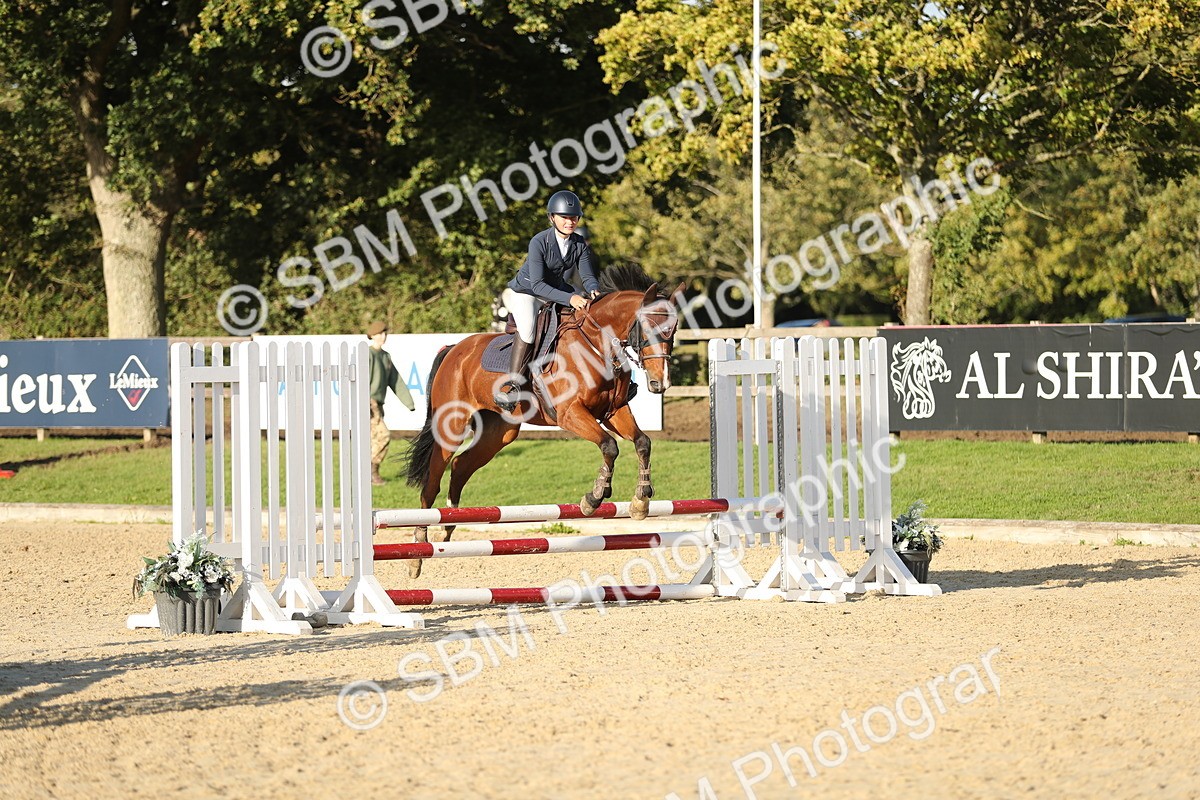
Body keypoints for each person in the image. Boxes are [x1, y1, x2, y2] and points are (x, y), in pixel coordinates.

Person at [494, 190, 601, 410]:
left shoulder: (579, 243)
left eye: (573, 217)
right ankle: (512, 385)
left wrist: (593, 291)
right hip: (526, 291)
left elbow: (588, 276)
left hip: (554, 289)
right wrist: (570, 298)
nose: (569, 222)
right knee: (529, 329)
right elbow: (537, 285)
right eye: (564, 217)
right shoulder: (539, 242)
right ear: (552, 218)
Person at [366, 321, 416, 485]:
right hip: (369, 403)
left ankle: (369, 474)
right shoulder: (368, 355)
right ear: (372, 335)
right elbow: (362, 380)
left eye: (385, 333)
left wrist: (409, 403)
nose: (383, 336)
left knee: (373, 440)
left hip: (378, 405)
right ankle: (372, 473)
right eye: (380, 333)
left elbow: (396, 381)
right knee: (383, 436)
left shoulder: (385, 356)